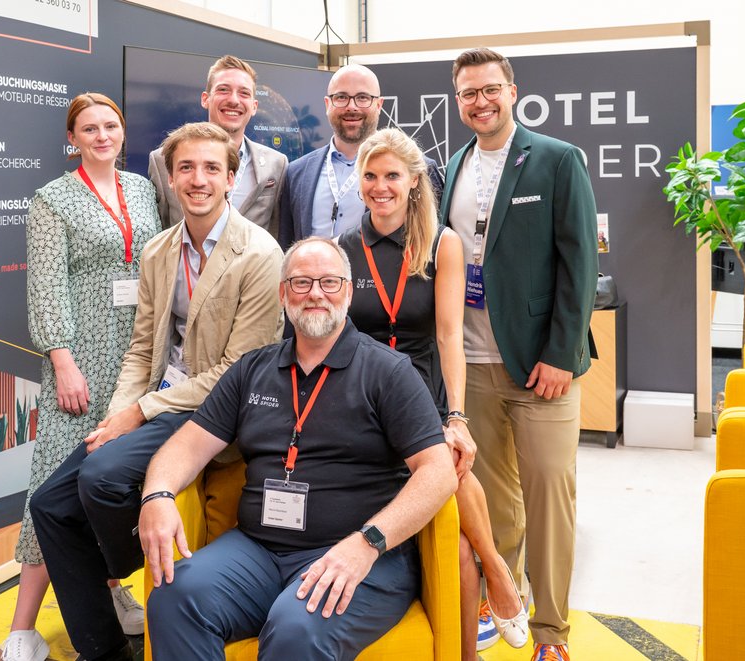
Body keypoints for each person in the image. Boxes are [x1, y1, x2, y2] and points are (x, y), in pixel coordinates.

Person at [29, 121, 284, 661]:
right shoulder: (158, 250)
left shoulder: (261, 254)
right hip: (160, 398)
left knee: (100, 477)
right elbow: (143, 348)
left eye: (211, 168)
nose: (198, 179)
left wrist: (142, 412)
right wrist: (117, 415)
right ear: (169, 179)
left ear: (231, 178)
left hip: (217, 410)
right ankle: (104, 649)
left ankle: (116, 568)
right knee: (49, 504)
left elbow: (240, 371)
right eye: (186, 168)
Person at [139, 237, 458, 659]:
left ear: (348, 291)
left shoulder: (389, 372)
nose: (315, 294)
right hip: (257, 552)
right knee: (174, 596)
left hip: (359, 554)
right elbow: (187, 445)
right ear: (282, 294)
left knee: (296, 629)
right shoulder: (252, 369)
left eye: (329, 282)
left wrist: (367, 543)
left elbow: (438, 471)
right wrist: (157, 494)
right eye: (301, 282)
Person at [338, 127, 528, 659]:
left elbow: (449, 335)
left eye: (392, 176)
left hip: (422, 386)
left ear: (414, 182)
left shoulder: (442, 243)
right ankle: (498, 572)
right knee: (442, 476)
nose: (380, 187)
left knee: (450, 457)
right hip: (365, 390)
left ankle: (495, 571)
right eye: (370, 176)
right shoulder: (343, 247)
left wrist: (457, 416)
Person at [441, 48, 599, 661]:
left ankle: (552, 631)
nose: (479, 102)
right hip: (473, 363)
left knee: (549, 496)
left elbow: (580, 264)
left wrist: (561, 352)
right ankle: (504, 599)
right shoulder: (452, 166)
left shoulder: (557, 159)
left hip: (540, 365)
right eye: (468, 93)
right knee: (492, 497)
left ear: (512, 91)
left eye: (490, 89)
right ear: (458, 100)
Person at [1, 92, 162, 661]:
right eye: (88, 129)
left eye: (110, 126)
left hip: (137, 358)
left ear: (123, 132)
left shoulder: (143, 190)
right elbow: (45, 286)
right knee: (53, 489)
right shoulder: (53, 199)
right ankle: (22, 628)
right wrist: (62, 360)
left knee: (109, 488)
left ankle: (109, 590)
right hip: (80, 363)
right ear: (72, 139)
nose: (101, 136)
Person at [278, 64, 443, 250]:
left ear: (379, 105)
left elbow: (432, 243)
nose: (352, 107)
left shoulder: (421, 170)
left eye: (363, 97)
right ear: (327, 104)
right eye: (341, 97)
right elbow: (287, 248)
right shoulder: (297, 173)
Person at [148, 54, 288, 236]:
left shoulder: (276, 164)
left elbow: (277, 233)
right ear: (205, 99)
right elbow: (162, 233)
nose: (234, 100)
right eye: (223, 90)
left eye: (244, 93)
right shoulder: (162, 160)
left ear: (254, 106)